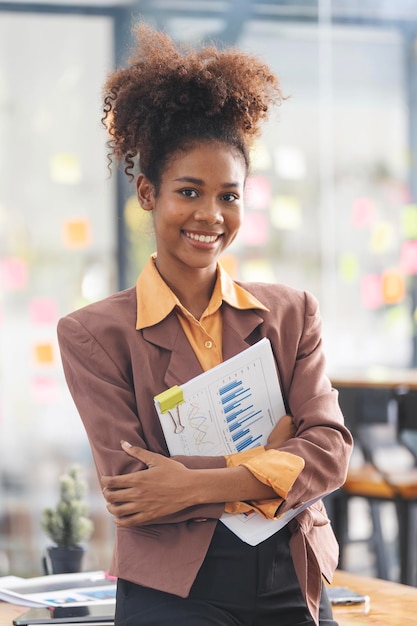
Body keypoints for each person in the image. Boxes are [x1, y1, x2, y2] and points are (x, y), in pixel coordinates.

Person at [57, 22, 352, 626]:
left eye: (230, 196)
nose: (210, 216)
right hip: (176, 584)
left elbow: (328, 453)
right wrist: (268, 463)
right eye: (189, 191)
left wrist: (191, 485)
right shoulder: (93, 335)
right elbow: (133, 490)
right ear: (147, 192)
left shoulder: (292, 314)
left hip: (290, 569)